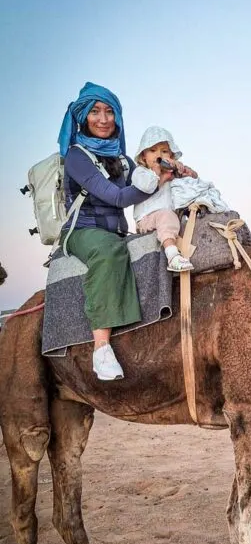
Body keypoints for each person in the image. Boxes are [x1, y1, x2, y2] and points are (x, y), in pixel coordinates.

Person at [58, 82, 172, 381]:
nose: (103, 119)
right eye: (95, 111)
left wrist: (171, 169)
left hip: (118, 231)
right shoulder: (77, 157)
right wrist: (156, 183)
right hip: (84, 233)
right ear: (83, 117)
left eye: (109, 112)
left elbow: (144, 178)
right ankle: (101, 348)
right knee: (109, 251)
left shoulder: (121, 158)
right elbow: (120, 198)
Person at [133, 127, 229, 271]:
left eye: (164, 151)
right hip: (147, 219)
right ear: (143, 156)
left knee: (189, 222)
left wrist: (184, 171)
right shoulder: (141, 172)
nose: (159, 155)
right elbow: (146, 187)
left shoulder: (170, 172)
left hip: (170, 217)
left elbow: (193, 180)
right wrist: (160, 173)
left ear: (171, 155)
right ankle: (173, 256)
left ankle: (203, 258)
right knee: (166, 216)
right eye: (153, 150)